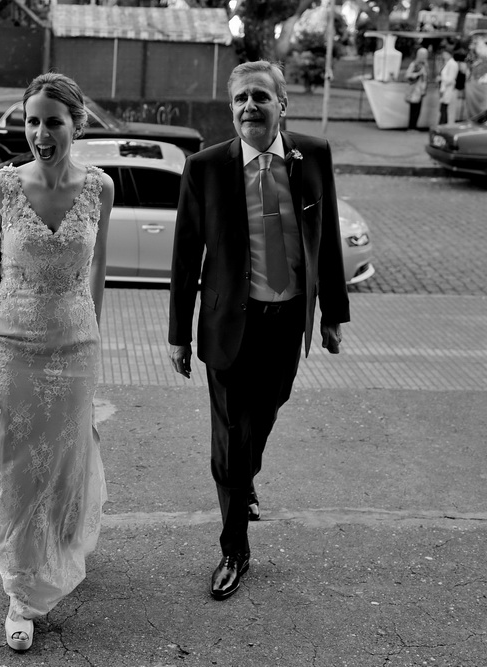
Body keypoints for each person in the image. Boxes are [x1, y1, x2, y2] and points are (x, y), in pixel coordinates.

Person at [168, 61, 350, 602]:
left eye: (261, 98)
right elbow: (183, 258)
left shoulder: (312, 156)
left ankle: (243, 475)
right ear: (231, 109)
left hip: (287, 319)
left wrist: (332, 316)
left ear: (282, 105)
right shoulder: (205, 168)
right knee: (228, 437)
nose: (250, 107)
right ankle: (234, 549)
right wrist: (179, 332)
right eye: (241, 99)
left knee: (266, 412)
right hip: (228, 322)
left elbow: (327, 237)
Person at [0, 72, 114, 652]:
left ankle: (61, 549)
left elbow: (96, 275)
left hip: (74, 348)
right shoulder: (4, 187)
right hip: (10, 346)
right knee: (16, 469)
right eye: (32, 121)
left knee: (65, 464)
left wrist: (93, 351)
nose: (41, 133)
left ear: (77, 125)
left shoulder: (100, 189)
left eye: (53, 122)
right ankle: (20, 593)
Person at [405, 47, 430, 130]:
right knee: (414, 109)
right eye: (423, 55)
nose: (425, 56)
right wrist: (418, 74)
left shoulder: (425, 65)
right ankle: (411, 126)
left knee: (418, 109)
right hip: (415, 89)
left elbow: (426, 76)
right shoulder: (414, 64)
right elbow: (408, 75)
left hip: (421, 90)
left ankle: (414, 126)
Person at [438, 47, 459, 125]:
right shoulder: (448, 63)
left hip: (448, 89)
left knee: (445, 108)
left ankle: (443, 124)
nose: (444, 56)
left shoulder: (452, 64)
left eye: (445, 54)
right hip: (444, 88)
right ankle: (442, 124)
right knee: (442, 108)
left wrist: (441, 79)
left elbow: (451, 79)